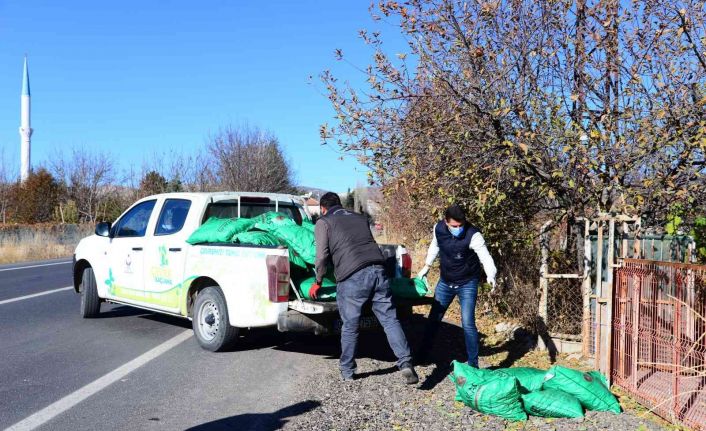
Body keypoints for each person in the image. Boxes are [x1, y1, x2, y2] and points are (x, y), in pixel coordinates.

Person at [310, 192, 418, 384]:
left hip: (352, 276)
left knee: (350, 325)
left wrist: (318, 281)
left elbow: (321, 256)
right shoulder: (359, 218)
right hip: (378, 269)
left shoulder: (323, 222)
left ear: (322, 209)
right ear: (340, 204)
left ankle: (347, 371)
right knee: (390, 320)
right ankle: (405, 362)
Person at [416, 204, 497, 368]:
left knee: (468, 323)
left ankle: (473, 365)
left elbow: (485, 257)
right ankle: (421, 356)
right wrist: (426, 266)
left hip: (467, 283)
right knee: (433, 320)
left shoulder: (474, 235)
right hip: (445, 282)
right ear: (446, 222)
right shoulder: (438, 228)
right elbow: (435, 246)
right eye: (454, 226)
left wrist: (491, 274)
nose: (458, 228)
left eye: (461, 225)